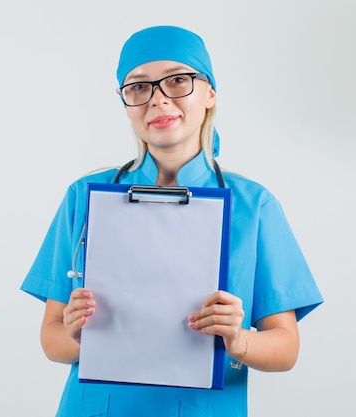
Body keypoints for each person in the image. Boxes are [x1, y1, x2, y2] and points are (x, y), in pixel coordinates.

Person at [21, 25, 323, 417]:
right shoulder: (85, 197)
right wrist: (80, 336)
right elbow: (51, 339)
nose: (158, 100)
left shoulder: (254, 206)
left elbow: (286, 348)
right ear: (126, 102)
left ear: (210, 93)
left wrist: (238, 339)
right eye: (139, 87)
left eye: (179, 80)